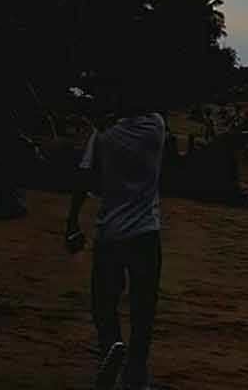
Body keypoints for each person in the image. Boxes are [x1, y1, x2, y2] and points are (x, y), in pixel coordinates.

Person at [65, 96, 167, 390]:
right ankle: (136, 373)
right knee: (143, 308)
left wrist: (72, 223)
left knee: (104, 303)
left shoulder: (104, 135)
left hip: (110, 233)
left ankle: (111, 345)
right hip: (147, 233)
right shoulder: (155, 128)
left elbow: (84, 179)